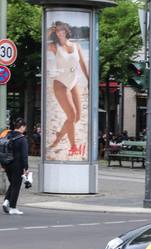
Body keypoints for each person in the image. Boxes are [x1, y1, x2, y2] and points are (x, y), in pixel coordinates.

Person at [46, 21, 89, 156]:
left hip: (73, 81)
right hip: (60, 82)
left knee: (77, 117)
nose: (61, 32)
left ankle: (59, 135)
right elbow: (40, 46)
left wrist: (90, 81)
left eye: (62, 29)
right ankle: (73, 146)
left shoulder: (77, 46)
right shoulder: (54, 46)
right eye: (57, 30)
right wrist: (48, 31)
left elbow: (82, 64)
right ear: (55, 33)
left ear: (66, 30)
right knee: (71, 115)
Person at [1, 118, 29, 216]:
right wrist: (26, 168)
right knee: (16, 186)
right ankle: (13, 207)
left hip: (7, 163)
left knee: (12, 183)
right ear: (22, 127)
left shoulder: (7, 135)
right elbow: (24, 155)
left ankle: (6, 201)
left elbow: (2, 150)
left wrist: (3, 165)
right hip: (17, 164)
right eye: (24, 127)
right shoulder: (22, 139)